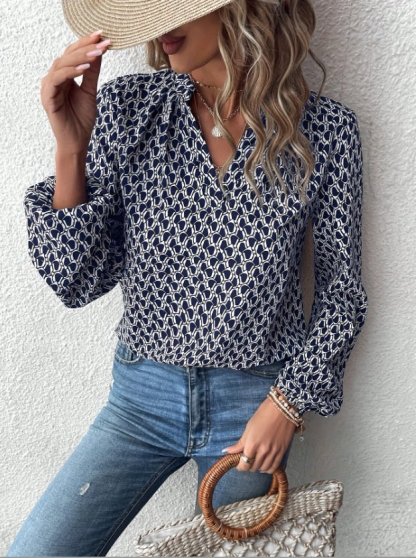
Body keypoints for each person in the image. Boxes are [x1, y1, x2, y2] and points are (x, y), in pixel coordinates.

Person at [8, 0, 369, 555]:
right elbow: (75, 280)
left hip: (252, 405)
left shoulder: (324, 132)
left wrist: (287, 404)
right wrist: (71, 147)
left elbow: (341, 295)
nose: (162, 26)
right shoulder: (130, 109)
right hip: (140, 398)